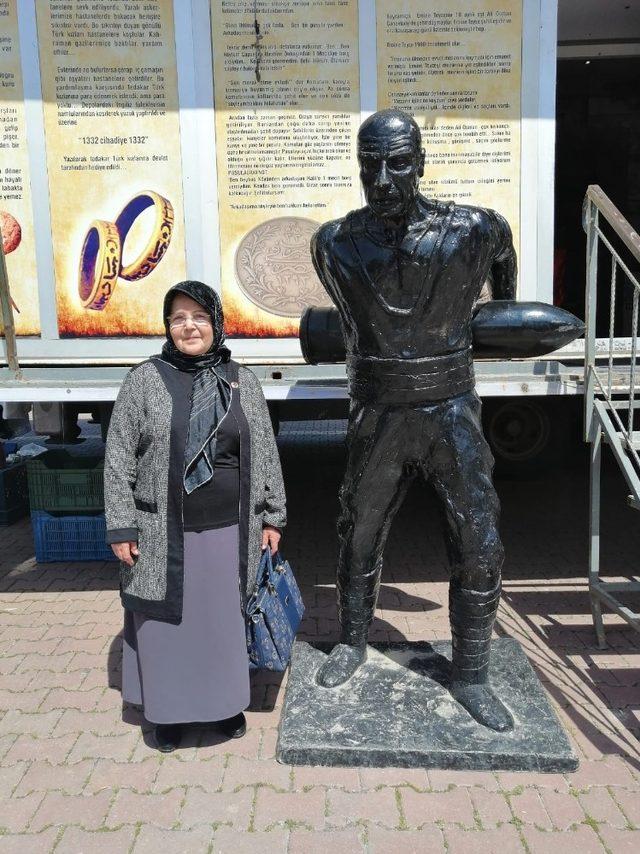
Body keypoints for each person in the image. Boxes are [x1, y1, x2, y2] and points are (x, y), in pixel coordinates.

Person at [310, 109, 517, 732]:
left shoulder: (476, 230)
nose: (383, 177)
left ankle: (473, 672)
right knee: (359, 527)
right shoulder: (334, 243)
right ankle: (351, 641)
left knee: (477, 534)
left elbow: (505, 290)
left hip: (452, 408)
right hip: (377, 410)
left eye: (397, 162)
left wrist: (485, 326)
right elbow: (350, 323)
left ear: (421, 162)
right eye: (370, 163)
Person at [104, 280, 286, 752]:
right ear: (167, 326)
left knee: (220, 625)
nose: (189, 326)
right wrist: (121, 525)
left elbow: (264, 452)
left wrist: (273, 518)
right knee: (167, 627)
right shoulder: (145, 378)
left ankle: (223, 707)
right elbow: (119, 455)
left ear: (216, 324)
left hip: (229, 529)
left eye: (199, 317)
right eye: (179, 317)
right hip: (163, 530)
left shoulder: (240, 379)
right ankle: (167, 716)